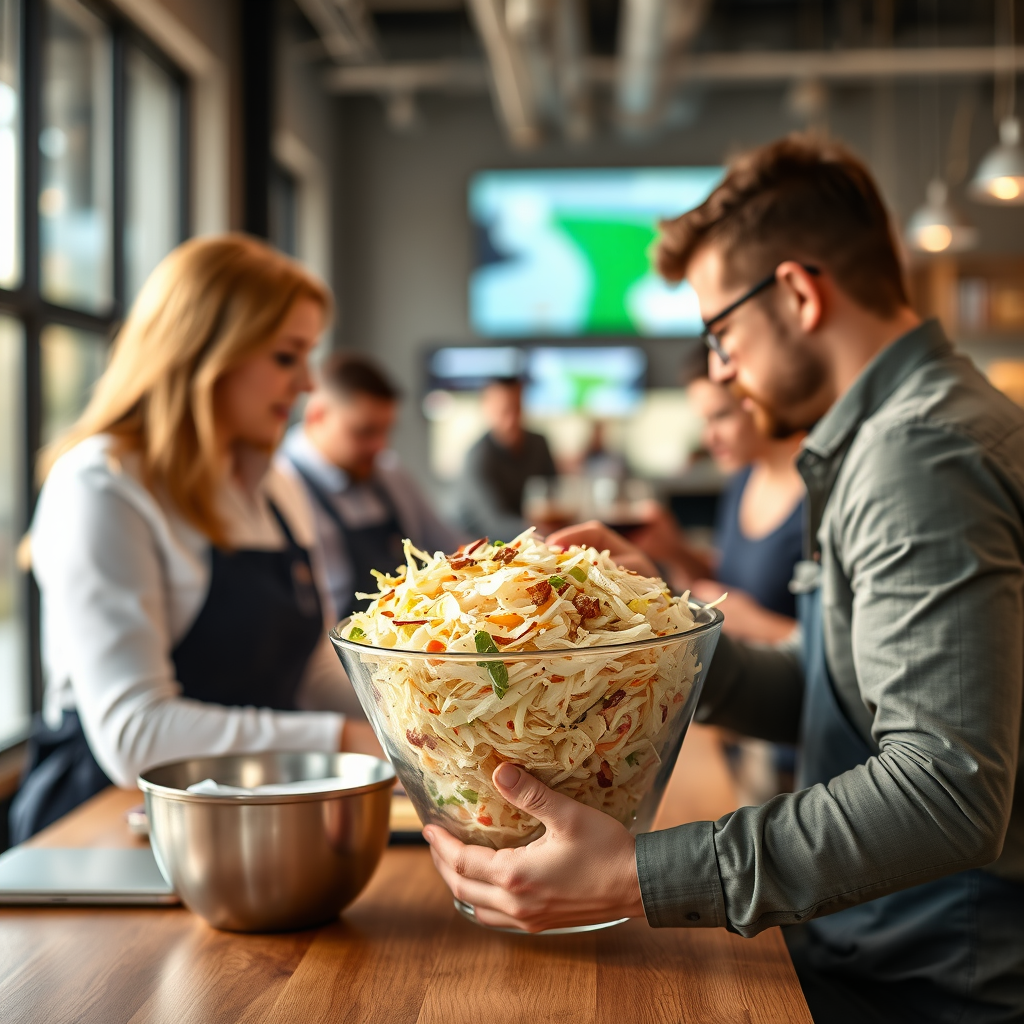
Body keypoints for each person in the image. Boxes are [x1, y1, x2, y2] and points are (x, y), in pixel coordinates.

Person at [422, 137, 1024, 1024]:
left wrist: (636, 876)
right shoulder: (891, 436)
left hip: (926, 986)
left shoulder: (916, 452)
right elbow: (836, 698)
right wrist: (653, 635)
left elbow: (945, 791)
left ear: (798, 292)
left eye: (720, 331)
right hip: (880, 951)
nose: (720, 369)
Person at [11, 235, 379, 844]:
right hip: (104, 825)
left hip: (250, 810)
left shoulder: (275, 487)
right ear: (206, 354)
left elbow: (312, 672)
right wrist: (342, 742)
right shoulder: (102, 484)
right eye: (287, 357)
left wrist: (430, 715)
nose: (309, 383)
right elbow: (136, 735)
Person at [278, 352, 463, 623]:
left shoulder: (389, 472)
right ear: (317, 415)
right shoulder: (281, 484)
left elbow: (451, 547)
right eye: (364, 431)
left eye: (386, 431)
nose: (380, 446)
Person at [633, 372, 805, 645]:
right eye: (705, 421)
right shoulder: (743, 479)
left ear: (758, 401)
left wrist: (758, 625)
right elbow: (729, 581)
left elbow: (845, 645)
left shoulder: (818, 494)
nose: (708, 438)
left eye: (722, 416)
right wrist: (675, 552)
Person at [454, 377, 557, 540]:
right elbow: (493, 523)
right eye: (504, 411)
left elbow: (554, 494)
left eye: (517, 409)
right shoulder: (478, 458)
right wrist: (541, 532)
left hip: (531, 539)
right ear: (486, 410)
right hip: (481, 547)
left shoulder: (539, 443)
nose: (512, 420)